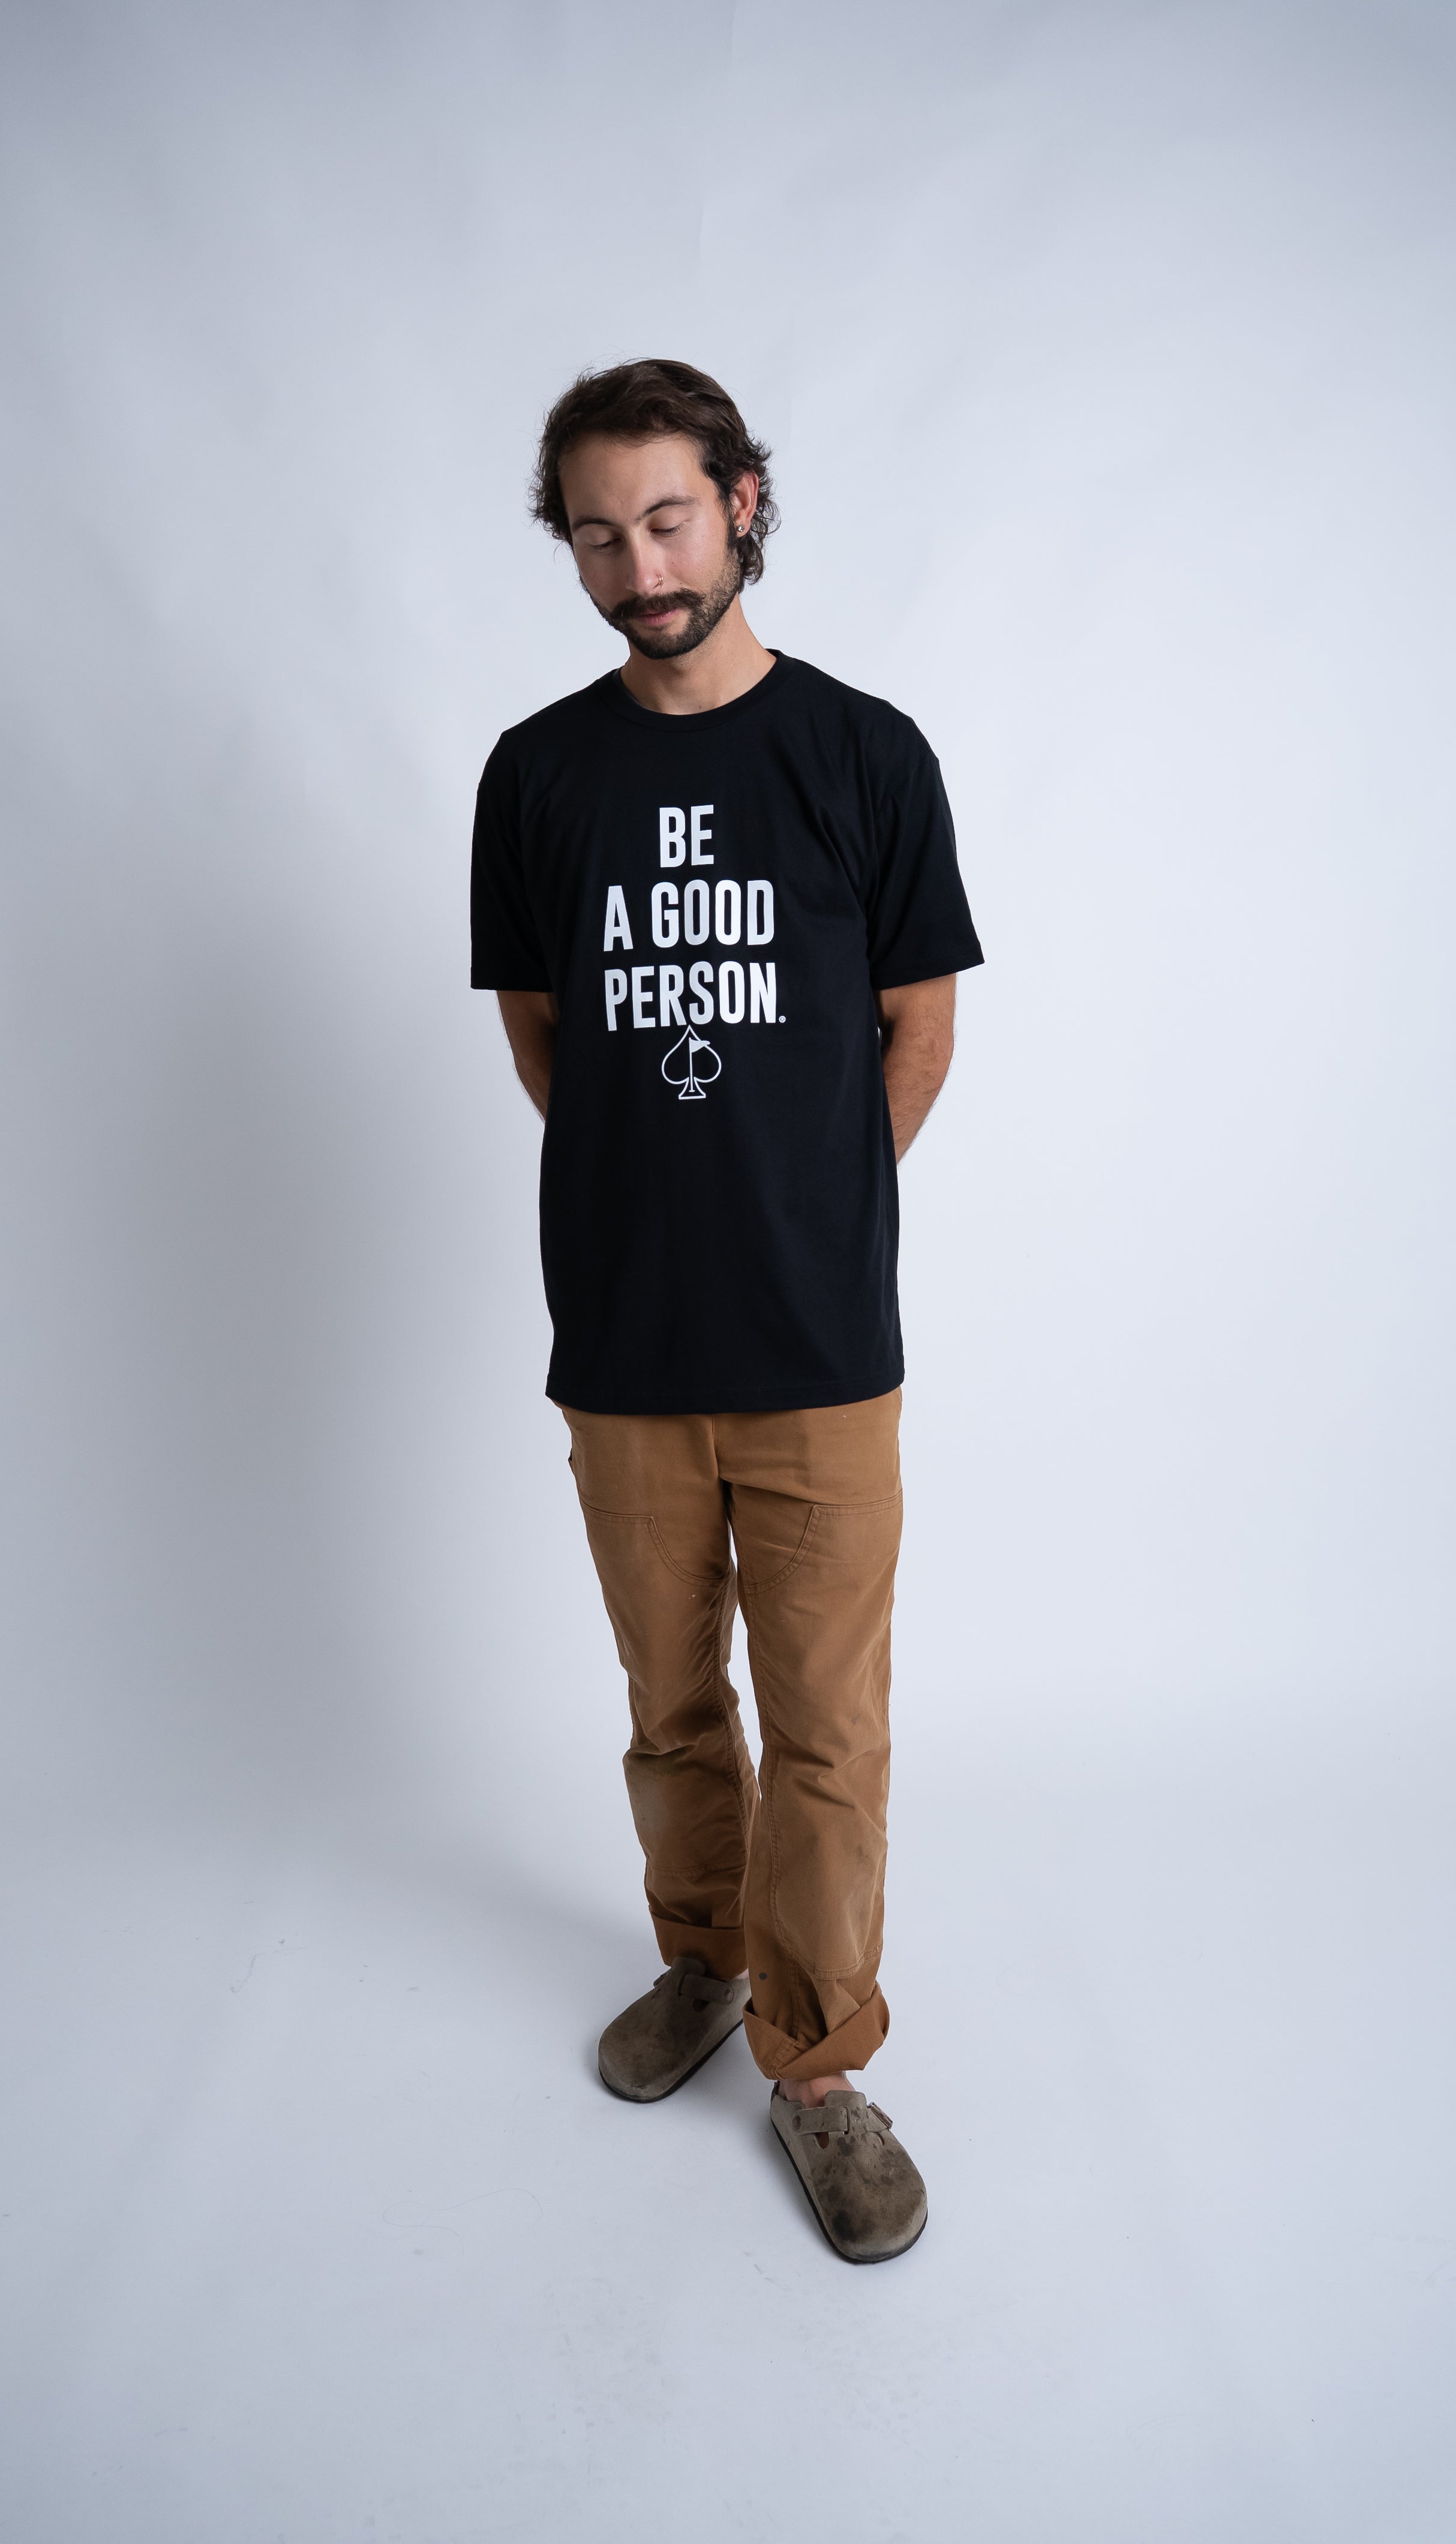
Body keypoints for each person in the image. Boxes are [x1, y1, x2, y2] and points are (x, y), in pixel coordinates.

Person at [469, 358, 983, 2263]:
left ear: (743, 504)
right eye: (600, 535)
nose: (641, 568)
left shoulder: (864, 755)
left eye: (669, 519)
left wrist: (803, 1204)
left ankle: (820, 2065)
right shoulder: (539, 775)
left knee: (827, 1725)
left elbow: (919, 1025)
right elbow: (545, 1031)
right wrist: (658, 1194)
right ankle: (704, 1957)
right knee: (673, 1706)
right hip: (620, 1341)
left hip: (818, 1347)